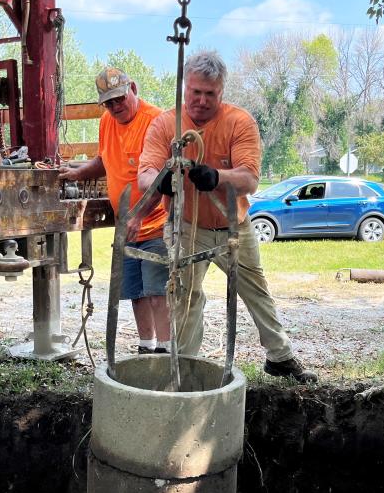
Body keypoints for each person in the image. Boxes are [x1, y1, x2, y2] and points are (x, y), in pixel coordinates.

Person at [136, 51, 317, 382]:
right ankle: (185, 368)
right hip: (187, 226)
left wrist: (217, 178)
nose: (202, 101)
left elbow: (249, 178)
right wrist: (161, 180)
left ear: (221, 91)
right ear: (184, 88)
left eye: (210, 94)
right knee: (187, 297)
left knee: (255, 288)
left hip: (235, 225)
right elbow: (145, 174)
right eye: (195, 92)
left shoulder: (239, 122)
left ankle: (280, 357)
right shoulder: (166, 124)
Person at [59, 67, 171, 355]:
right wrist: (78, 172)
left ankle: (166, 353)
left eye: (119, 99)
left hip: (156, 223)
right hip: (126, 226)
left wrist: (141, 215)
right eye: (108, 102)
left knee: (158, 292)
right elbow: (104, 159)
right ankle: (146, 349)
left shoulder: (156, 121)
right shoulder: (107, 122)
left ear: (132, 88)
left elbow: (164, 178)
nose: (115, 107)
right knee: (135, 293)